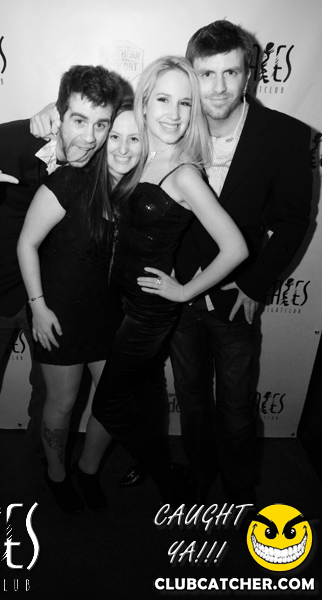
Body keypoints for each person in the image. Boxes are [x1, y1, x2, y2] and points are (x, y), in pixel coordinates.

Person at [0, 65, 124, 509]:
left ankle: (41, 473)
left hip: (56, 301)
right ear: (59, 112)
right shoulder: (8, 141)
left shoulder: (108, 154)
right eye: (78, 120)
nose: (90, 137)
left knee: (49, 397)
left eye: (101, 124)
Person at [90, 55, 248, 504]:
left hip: (149, 313)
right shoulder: (141, 152)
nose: (174, 114)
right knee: (143, 394)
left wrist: (184, 291)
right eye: (163, 99)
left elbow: (236, 248)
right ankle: (160, 465)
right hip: (120, 299)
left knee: (107, 405)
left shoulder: (185, 173)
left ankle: (169, 477)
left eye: (185, 102)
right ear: (143, 102)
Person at [167, 20, 312, 506]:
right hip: (179, 291)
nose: (218, 87)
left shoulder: (286, 136)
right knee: (190, 396)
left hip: (235, 294)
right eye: (206, 74)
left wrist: (255, 284)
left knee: (234, 404)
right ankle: (199, 471)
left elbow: (294, 222)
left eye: (231, 72)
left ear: (249, 74)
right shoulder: (171, 125)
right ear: (191, 74)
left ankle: (239, 486)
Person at [17, 104, 142, 512]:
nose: (122, 148)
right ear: (102, 140)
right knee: (63, 402)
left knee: (112, 400)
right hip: (59, 314)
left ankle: (88, 470)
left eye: (134, 138)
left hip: (110, 316)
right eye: (115, 136)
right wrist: (38, 308)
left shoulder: (136, 195)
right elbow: (27, 243)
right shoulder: (70, 181)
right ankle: (56, 475)